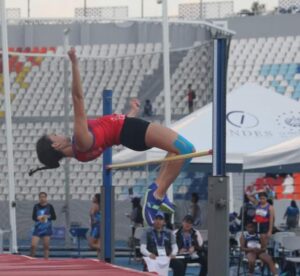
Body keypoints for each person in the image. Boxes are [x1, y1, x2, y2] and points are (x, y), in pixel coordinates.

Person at [29, 48, 195, 226]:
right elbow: (78, 98)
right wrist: (74, 64)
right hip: (131, 131)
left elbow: (112, 132)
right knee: (186, 149)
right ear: (56, 146)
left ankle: (158, 193)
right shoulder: (81, 140)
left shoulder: (81, 152)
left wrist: (131, 112)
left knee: (176, 153)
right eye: (55, 135)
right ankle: (156, 195)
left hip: (129, 133)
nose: (59, 134)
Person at [140, 211, 185, 276]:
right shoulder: (147, 232)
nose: (158, 221)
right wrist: (149, 254)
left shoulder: (169, 232)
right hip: (153, 257)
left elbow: (175, 246)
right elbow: (142, 248)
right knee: (147, 268)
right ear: (153, 220)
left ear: (164, 222)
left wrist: (173, 254)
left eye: (160, 219)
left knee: (179, 265)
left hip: (166, 258)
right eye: (156, 219)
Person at [30, 192, 56, 259]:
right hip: (38, 229)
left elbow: (54, 217)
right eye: (41, 197)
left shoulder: (50, 206)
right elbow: (33, 217)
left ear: (46, 198)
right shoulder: (36, 206)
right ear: (39, 198)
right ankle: (31, 259)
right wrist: (37, 218)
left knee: (46, 246)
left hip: (46, 229)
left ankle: (46, 260)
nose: (42, 198)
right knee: (33, 246)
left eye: (43, 197)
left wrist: (46, 217)